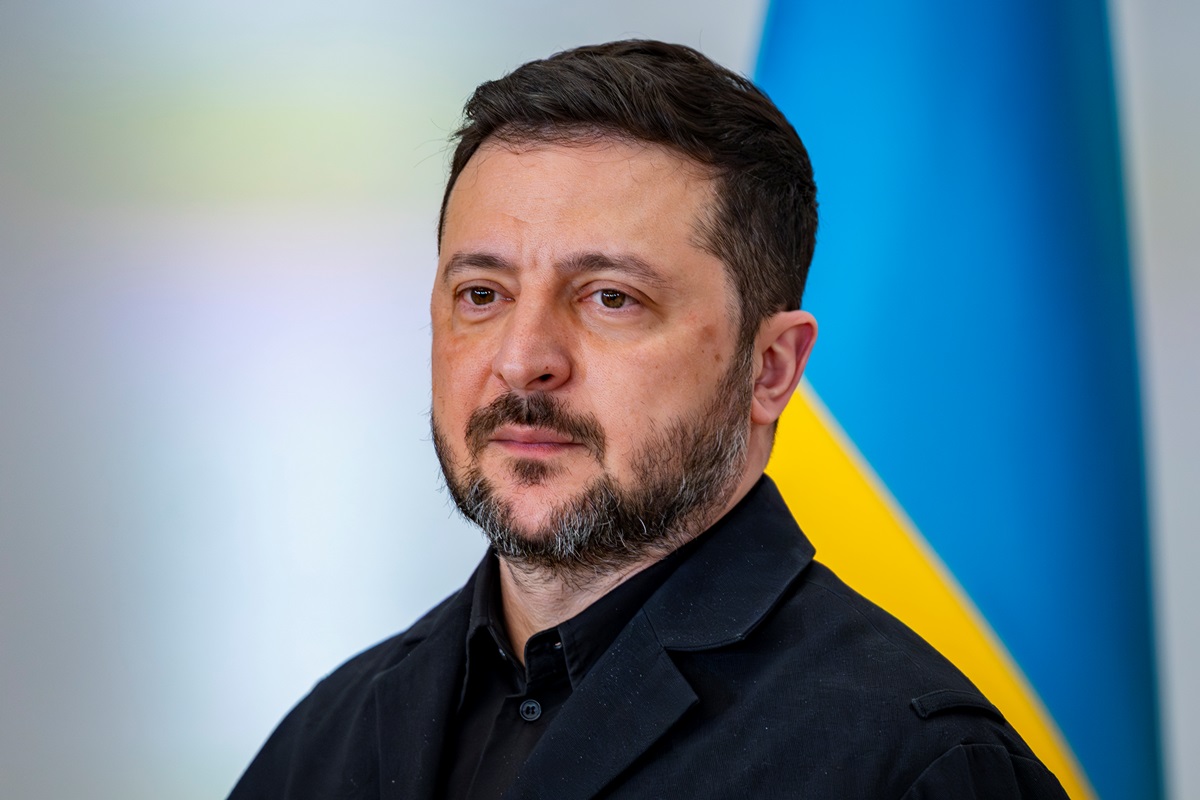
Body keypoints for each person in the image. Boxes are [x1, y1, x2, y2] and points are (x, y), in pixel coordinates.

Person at [229, 40, 1068, 799]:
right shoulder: (326, 740)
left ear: (770, 368)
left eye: (610, 298)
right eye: (482, 294)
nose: (522, 360)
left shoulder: (916, 769)